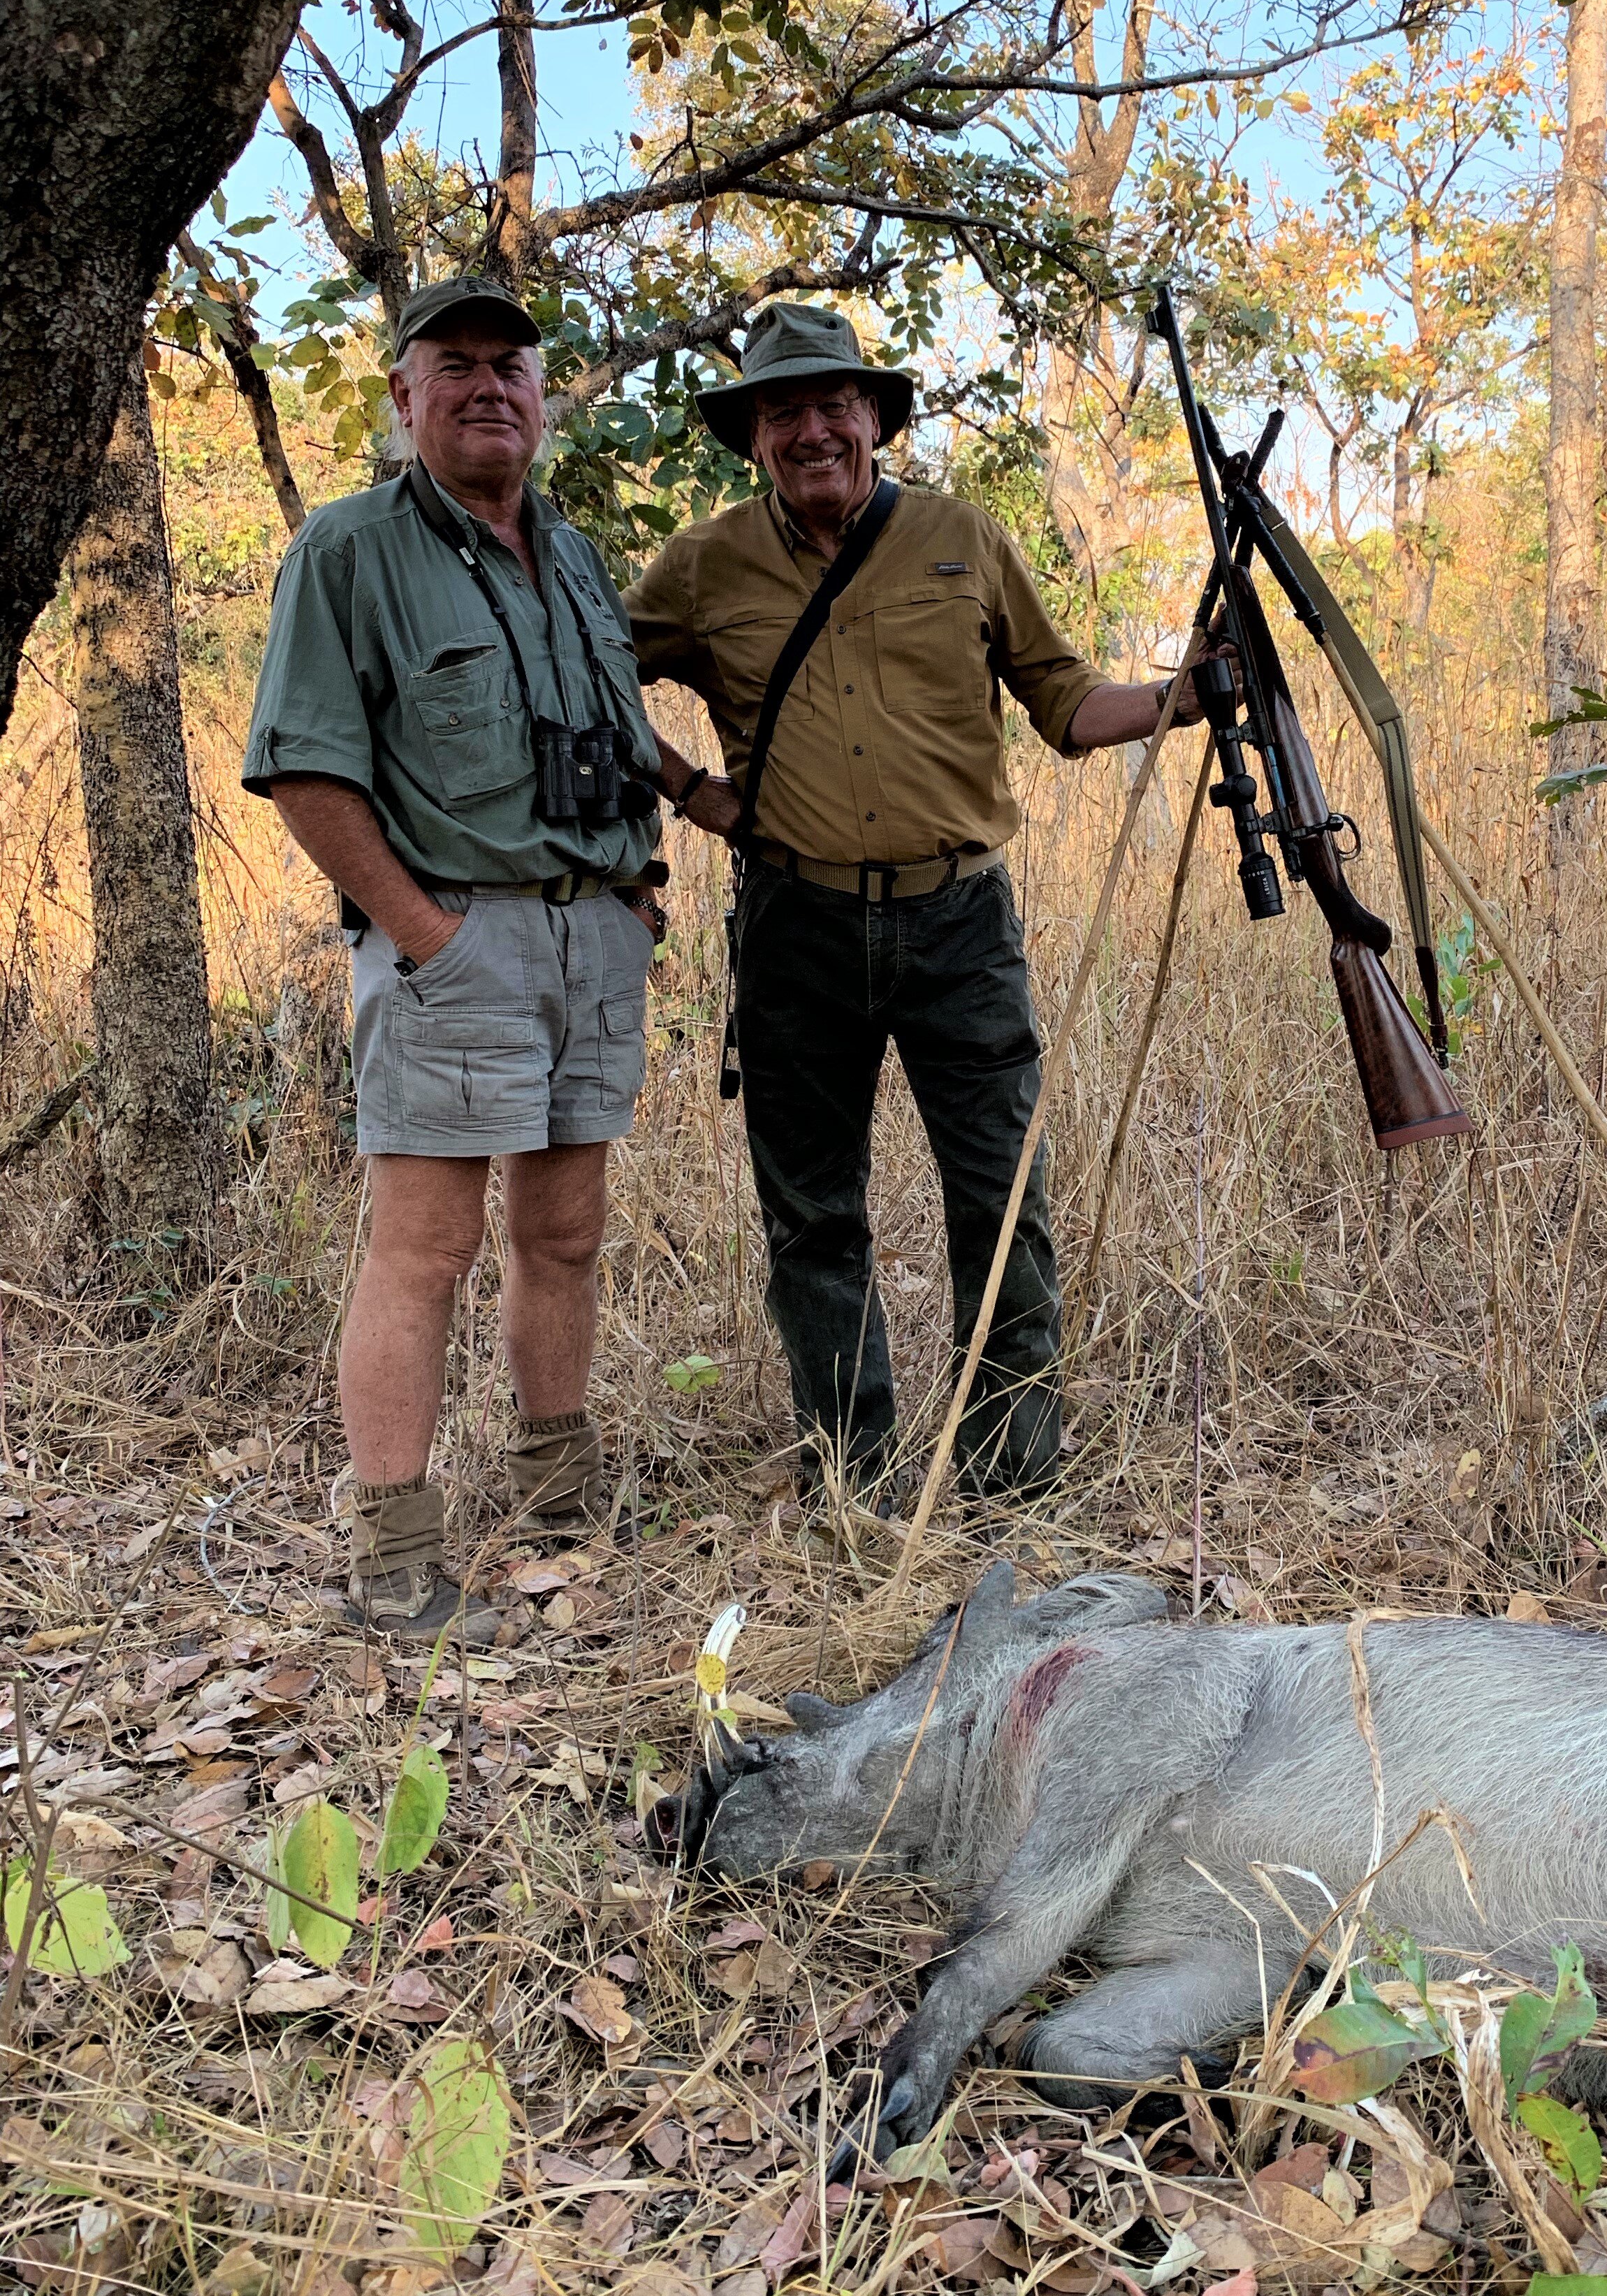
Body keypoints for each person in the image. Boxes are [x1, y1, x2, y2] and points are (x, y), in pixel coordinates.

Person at [624, 298, 1214, 1512]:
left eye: (834, 404)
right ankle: (856, 1486)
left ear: (875, 417)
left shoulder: (962, 538)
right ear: (753, 437)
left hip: (961, 924)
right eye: (782, 412)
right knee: (813, 1217)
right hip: (795, 924)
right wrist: (689, 789)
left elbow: (1065, 702)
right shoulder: (702, 564)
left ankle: (1009, 1482)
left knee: (1003, 1202)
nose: (812, 431)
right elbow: (578, 672)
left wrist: (1184, 696)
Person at [243, 275, 683, 1637]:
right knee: (422, 1248)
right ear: (407, 396)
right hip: (452, 938)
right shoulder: (350, 551)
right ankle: (395, 1553)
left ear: (543, 398)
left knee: (564, 1233)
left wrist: (641, 893)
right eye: (458, 366)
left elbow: (608, 739)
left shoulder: (580, 555)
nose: (490, 386)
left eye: (513, 366)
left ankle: (560, 1491)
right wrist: (428, 938)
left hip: (594, 934)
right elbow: (304, 769)